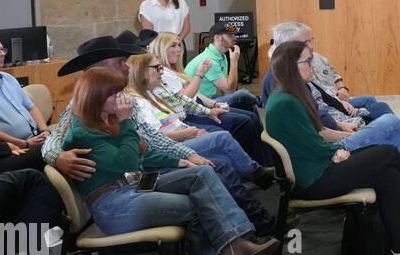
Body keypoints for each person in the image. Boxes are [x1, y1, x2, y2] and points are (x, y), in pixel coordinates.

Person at [64, 68, 278, 255]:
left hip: (133, 184)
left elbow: (145, 152)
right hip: (113, 204)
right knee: (200, 207)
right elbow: (127, 161)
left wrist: (179, 161)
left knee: (201, 174)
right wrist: (126, 124)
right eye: (116, 94)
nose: (123, 98)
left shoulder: (108, 120)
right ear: (97, 98)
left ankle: (234, 241)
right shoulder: (83, 132)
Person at [264, 41, 400, 255]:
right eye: (307, 61)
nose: (312, 64)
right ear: (292, 66)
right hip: (314, 178)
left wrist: (335, 151)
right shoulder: (286, 103)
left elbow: (311, 142)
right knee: (388, 153)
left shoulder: (289, 96)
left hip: (317, 167)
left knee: (388, 174)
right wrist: (337, 151)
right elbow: (313, 145)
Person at [125, 54, 277, 237]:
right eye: (156, 68)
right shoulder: (136, 102)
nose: (161, 72)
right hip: (171, 148)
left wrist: (208, 112)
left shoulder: (152, 90)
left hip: (181, 136)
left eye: (160, 67)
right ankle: (256, 178)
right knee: (224, 136)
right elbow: (155, 140)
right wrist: (189, 135)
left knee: (224, 158)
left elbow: (184, 102)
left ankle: (256, 220)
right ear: (140, 72)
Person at [43, 33, 216, 184]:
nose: (127, 66)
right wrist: (57, 157)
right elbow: (55, 136)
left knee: (214, 161)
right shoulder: (82, 103)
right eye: (120, 62)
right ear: (99, 70)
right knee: (215, 158)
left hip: (147, 159)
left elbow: (151, 137)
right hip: (131, 172)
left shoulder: (122, 95)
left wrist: (186, 154)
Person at [263, 22, 400, 165]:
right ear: (288, 48)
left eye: (311, 40)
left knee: (399, 137)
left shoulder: (298, 74)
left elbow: (322, 105)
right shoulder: (284, 87)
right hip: (330, 147)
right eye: (305, 43)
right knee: (392, 125)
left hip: (334, 129)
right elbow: (317, 135)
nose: (311, 46)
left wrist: (342, 92)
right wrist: (348, 133)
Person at [148, 31, 269, 164]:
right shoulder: (165, 73)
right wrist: (232, 62)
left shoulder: (218, 57)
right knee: (243, 104)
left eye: (179, 45)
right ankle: (259, 162)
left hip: (203, 103)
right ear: (217, 38)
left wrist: (213, 105)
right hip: (190, 113)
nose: (178, 49)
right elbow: (228, 88)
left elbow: (198, 96)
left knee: (249, 113)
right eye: (173, 46)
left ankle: (266, 158)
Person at [184, 25, 256, 108]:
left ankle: (258, 103)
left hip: (211, 98)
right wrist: (234, 61)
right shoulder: (209, 59)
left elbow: (227, 91)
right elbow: (229, 90)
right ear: (217, 38)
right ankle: (259, 100)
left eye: (234, 35)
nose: (234, 38)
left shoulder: (222, 56)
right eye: (230, 35)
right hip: (200, 103)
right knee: (243, 95)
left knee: (249, 107)